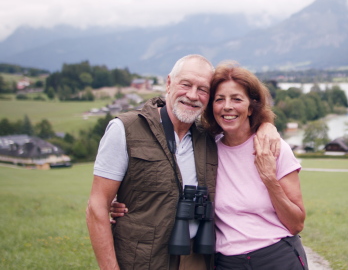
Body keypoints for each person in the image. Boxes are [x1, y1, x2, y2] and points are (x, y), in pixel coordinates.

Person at [86, 54, 281, 270]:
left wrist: (266, 126)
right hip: (142, 260)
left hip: (196, 258)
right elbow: (97, 207)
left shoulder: (208, 136)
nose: (192, 95)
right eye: (185, 84)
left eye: (203, 89)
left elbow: (241, 127)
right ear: (169, 83)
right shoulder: (126, 129)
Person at [201, 61, 307, 269]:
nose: (227, 106)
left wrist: (269, 179)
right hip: (227, 262)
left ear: (251, 107)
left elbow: (296, 224)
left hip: (277, 258)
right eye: (219, 99)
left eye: (237, 99)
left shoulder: (274, 148)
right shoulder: (206, 150)